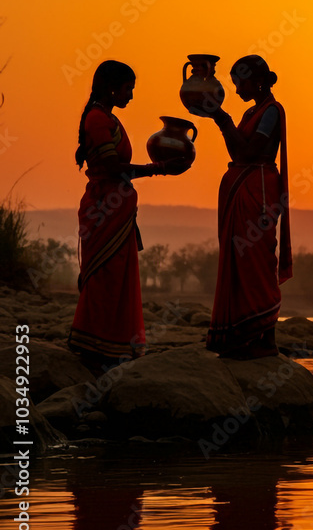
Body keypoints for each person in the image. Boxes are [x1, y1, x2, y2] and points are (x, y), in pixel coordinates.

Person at [69, 60, 188, 369]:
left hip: (116, 208)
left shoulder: (109, 119)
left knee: (118, 276)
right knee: (104, 276)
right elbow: (110, 168)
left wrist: (156, 170)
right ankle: (95, 344)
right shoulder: (97, 120)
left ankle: (112, 345)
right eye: (128, 88)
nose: (131, 95)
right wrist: (157, 169)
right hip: (103, 206)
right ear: (113, 88)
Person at [205, 55, 291, 359]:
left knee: (257, 260)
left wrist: (222, 119)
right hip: (243, 186)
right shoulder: (251, 112)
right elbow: (237, 151)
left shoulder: (270, 112)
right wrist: (223, 120)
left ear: (256, 81)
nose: (236, 89)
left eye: (239, 82)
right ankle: (244, 337)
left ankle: (266, 338)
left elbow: (252, 151)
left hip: (260, 191)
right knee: (241, 261)